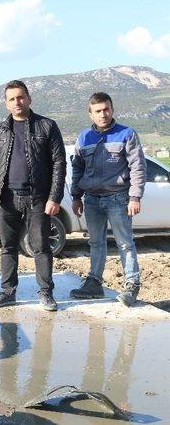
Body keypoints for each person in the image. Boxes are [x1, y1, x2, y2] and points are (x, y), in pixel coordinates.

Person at [0, 80, 66, 311]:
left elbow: (59, 163)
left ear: (29, 99)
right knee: (8, 247)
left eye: (21, 97)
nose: (17, 102)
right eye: (12, 99)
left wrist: (54, 197)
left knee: (41, 247)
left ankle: (46, 292)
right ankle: (8, 292)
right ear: (6, 103)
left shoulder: (47, 126)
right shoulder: (0, 130)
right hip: (7, 198)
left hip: (38, 197)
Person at [70, 92, 146, 307]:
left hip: (119, 198)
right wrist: (76, 197)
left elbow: (138, 167)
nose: (103, 114)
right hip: (92, 199)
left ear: (112, 110)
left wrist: (134, 196)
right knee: (95, 243)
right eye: (98, 111)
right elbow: (77, 169)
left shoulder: (126, 134)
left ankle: (132, 285)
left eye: (106, 109)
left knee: (125, 243)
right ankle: (94, 282)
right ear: (90, 114)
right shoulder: (84, 138)